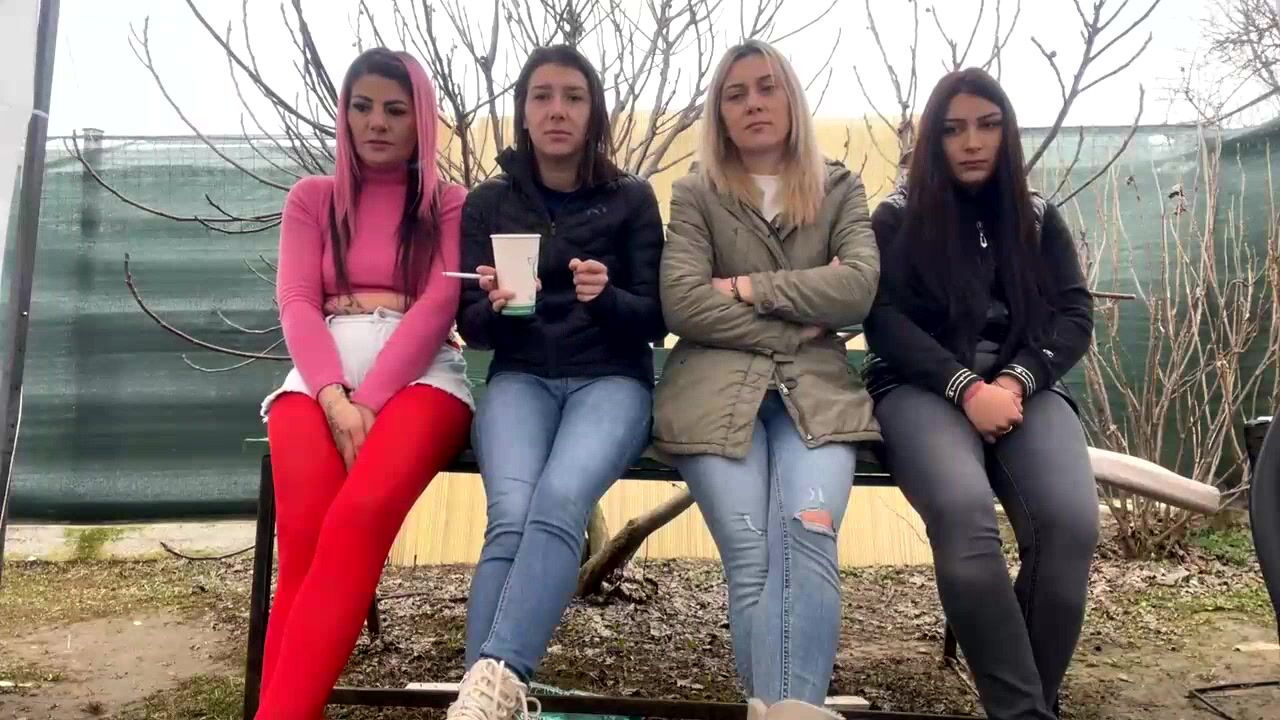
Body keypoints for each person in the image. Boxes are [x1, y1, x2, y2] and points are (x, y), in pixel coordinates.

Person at [654, 39, 880, 720]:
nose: (753, 103)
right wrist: (795, 322)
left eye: (766, 87)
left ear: (790, 98)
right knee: (752, 554)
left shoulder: (839, 188)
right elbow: (682, 303)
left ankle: (778, 709)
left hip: (819, 395)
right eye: (736, 94)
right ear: (720, 114)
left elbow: (858, 288)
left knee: (808, 534)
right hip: (713, 394)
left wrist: (748, 286)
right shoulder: (696, 192)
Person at [862, 67, 1097, 720]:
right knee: (965, 516)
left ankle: (1024, 706)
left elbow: (1073, 314)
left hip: (1025, 386)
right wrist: (964, 387)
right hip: (921, 386)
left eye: (988, 125)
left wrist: (1016, 379)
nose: (972, 142)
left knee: (1069, 524)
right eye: (954, 128)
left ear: (1007, 133)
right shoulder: (897, 217)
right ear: (932, 140)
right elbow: (882, 320)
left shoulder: (1037, 216)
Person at [447, 44, 666, 720]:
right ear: (523, 112)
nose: (557, 110)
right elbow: (472, 329)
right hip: (521, 379)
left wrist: (608, 297)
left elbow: (657, 319)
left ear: (593, 111)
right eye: (541, 96)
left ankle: (488, 688)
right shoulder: (489, 203)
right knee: (511, 516)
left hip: (611, 382)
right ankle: (487, 699)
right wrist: (493, 302)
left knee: (559, 501)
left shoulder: (630, 198)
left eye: (573, 96)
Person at [254, 48, 472, 719]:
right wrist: (333, 397)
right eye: (363, 106)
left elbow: (439, 304)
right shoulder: (311, 198)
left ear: (420, 121)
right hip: (317, 373)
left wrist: (368, 402)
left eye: (395, 110)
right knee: (304, 539)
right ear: (345, 114)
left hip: (421, 375)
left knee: (358, 520)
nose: (377, 122)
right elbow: (296, 300)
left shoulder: (450, 204)